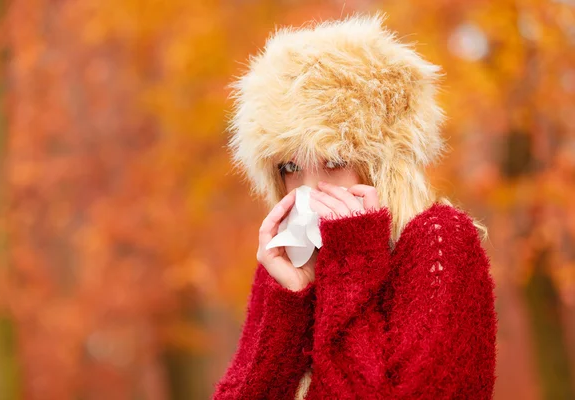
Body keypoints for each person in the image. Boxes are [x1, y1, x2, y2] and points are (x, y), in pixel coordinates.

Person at [213, 12, 498, 400]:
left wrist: (351, 264)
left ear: (380, 163)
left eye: (334, 161)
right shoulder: (290, 261)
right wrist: (292, 297)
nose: (310, 189)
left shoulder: (440, 240)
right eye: (291, 167)